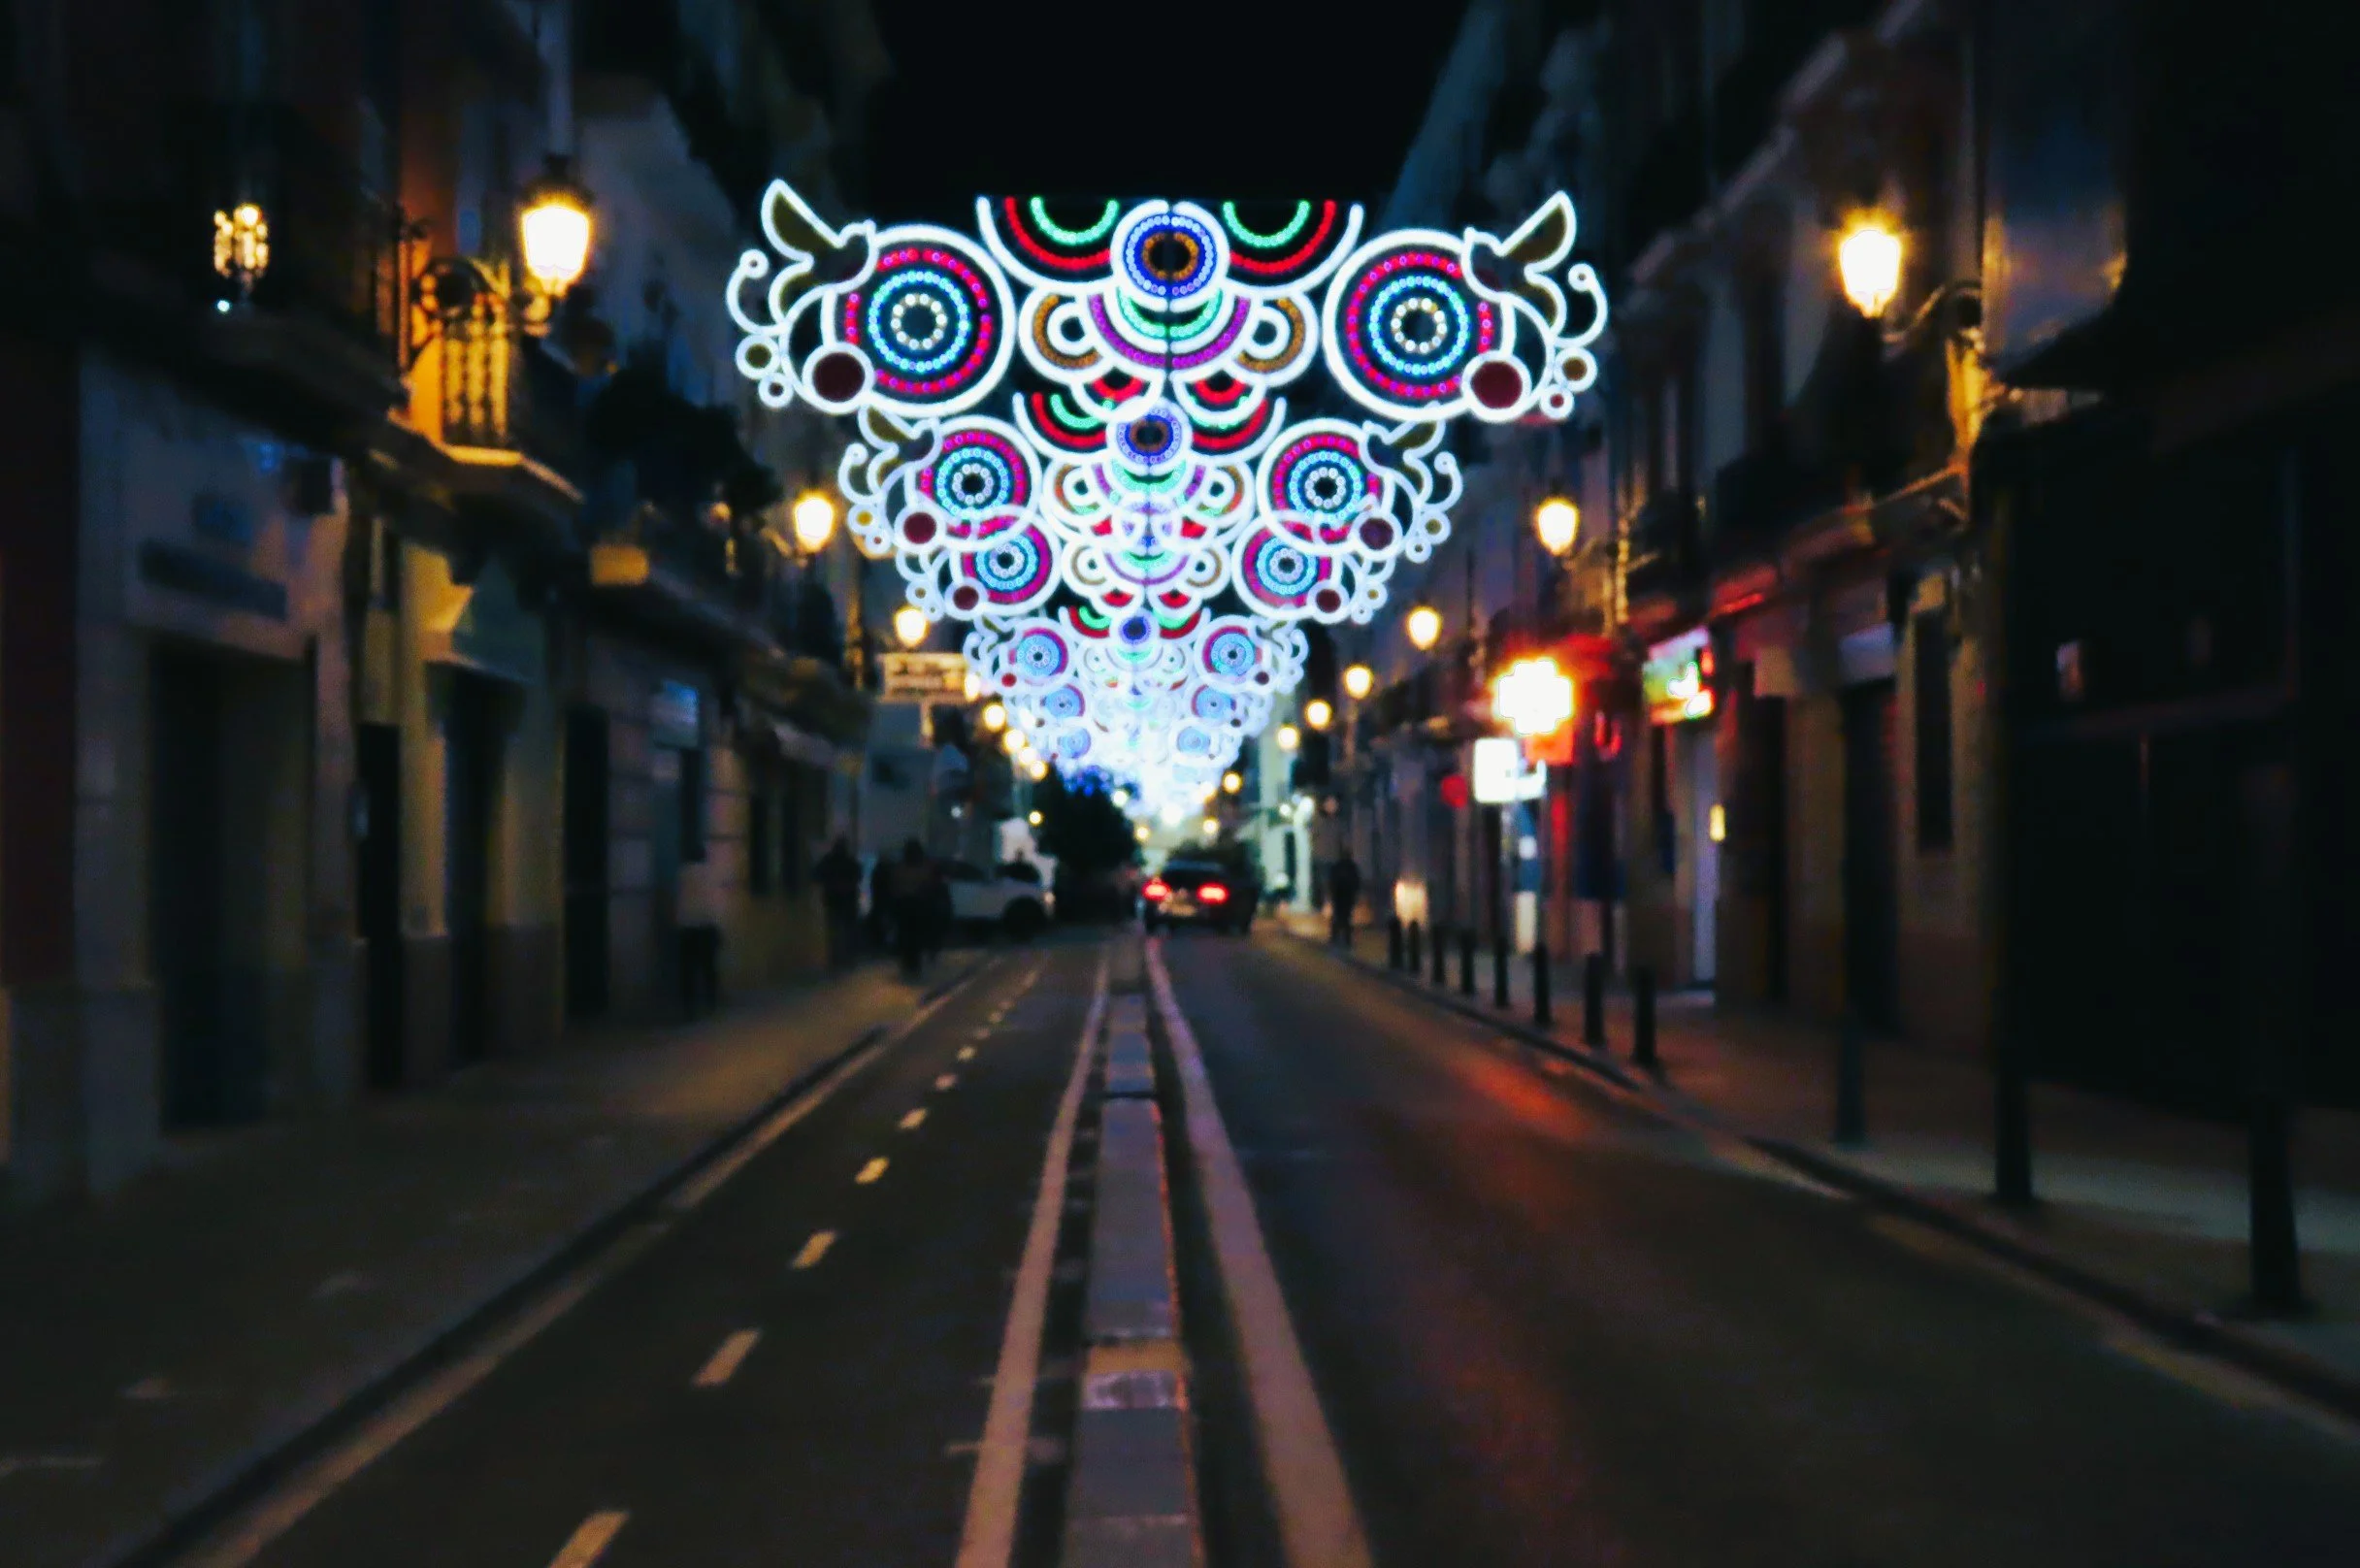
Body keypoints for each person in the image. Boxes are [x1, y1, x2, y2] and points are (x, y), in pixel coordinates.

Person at [675, 855, 724, 1018]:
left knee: (688, 970)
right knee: (709, 968)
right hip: (707, 925)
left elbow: (680, 900)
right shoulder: (711, 874)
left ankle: (689, 1007)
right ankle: (711, 1003)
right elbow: (716, 903)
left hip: (688, 926)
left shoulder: (683, 874)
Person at [888, 839, 934, 980]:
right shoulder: (921, 868)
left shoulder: (901, 868)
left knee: (907, 937)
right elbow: (927, 885)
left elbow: (895, 886)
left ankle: (909, 964)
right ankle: (913, 965)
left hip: (906, 905)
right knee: (914, 937)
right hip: (915, 906)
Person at [815, 836, 863, 969]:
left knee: (835, 930)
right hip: (846, 900)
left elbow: (818, 874)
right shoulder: (849, 862)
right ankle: (846, 958)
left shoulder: (829, 861)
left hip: (834, 900)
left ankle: (836, 958)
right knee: (847, 930)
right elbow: (858, 875)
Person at [1328, 849, 1362, 946]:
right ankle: (1344, 939)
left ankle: (1338, 938)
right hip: (1344, 897)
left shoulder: (1340, 867)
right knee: (1345, 918)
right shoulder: (1350, 867)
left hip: (1342, 897)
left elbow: (1333, 881)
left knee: (1340, 918)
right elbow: (1356, 882)